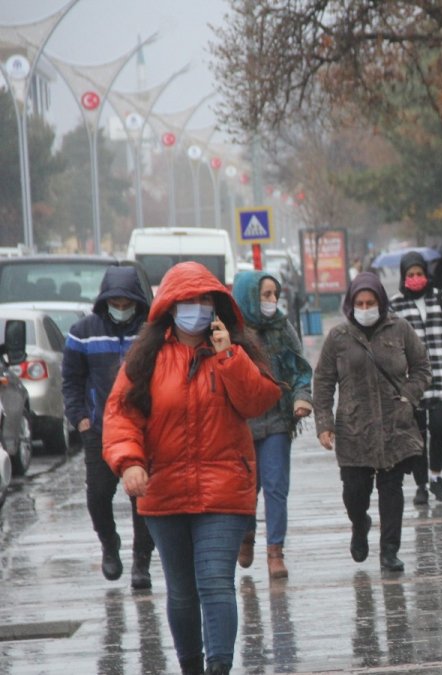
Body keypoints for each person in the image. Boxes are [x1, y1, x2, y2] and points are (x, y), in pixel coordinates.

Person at [104, 262, 282, 675]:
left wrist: (228, 356)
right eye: (188, 300)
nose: (197, 308)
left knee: (215, 582)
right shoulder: (146, 359)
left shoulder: (234, 350)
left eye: (205, 300)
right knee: (182, 592)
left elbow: (258, 402)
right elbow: (121, 416)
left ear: (218, 306)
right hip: (164, 491)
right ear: (170, 306)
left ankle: (219, 666)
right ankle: (191, 668)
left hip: (224, 490)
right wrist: (130, 463)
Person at [313, 272, 432, 573]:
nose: (365, 308)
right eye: (360, 303)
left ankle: (389, 550)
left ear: (381, 301)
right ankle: (359, 524)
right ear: (351, 304)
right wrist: (324, 423)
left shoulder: (400, 329)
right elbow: (323, 381)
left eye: (371, 303)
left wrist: (408, 397)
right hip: (354, 428)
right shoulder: (338, 337)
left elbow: (422, 367)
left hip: (395, 426)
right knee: (355, 492)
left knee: (392, 490)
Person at [62, 265, 155, 590]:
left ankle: (141, 561)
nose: (121, 308)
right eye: (115, 303)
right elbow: (71, 379)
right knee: (98, 495)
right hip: (100, 429)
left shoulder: (150, 331)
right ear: (105, 301)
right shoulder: (83, 332)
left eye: (126, 303)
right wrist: (80, 418)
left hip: (144, 430)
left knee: (143, 498)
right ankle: (109, 542)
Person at [232, 270, 314, 580]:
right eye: (265, 295)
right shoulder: (231, 332)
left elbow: (300, 369)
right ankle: (246, 536)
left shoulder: (283, 327)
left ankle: (275, 551)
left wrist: (301, 398)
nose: (272, 301)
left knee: (277, 487)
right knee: (246, 488)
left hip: (278, 420)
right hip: (241, 424)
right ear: (249, 296)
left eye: (274, 295)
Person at [388, 252, 442, 505]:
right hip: (411, 381)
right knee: (417, 433)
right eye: (410, 274)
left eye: (419, 273)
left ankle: (436, 476)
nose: (415, 278)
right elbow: (388, 342)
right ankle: (421, 484)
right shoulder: (395, 305)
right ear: (404, 276)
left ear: (426, 274)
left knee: (440, 426)